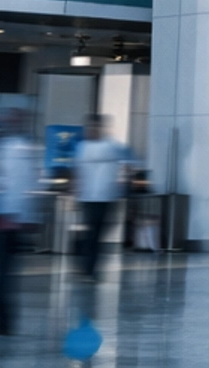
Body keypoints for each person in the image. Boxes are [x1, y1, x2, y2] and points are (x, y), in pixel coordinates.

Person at [0, 109, 35, 335]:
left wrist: (14, 215)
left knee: (1, 274)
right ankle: (1, 322)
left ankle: (2, 323)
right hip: (3, 216)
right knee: (0, 273)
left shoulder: (16, 147)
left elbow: (17, 183)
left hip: (6, 218)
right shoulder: (9, 146)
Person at [73, 115, 128, 289]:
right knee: (92, 234)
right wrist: (76, 190)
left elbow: (127, 163)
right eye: (90, 128)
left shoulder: (112, 146)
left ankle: (88, 267)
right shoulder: (82, 147)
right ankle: (88, 269)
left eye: (95, 127)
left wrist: (121, 184)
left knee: (96, 234)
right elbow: (78, 171)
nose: (92, 131)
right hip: (88, 197)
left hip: (105, 197)